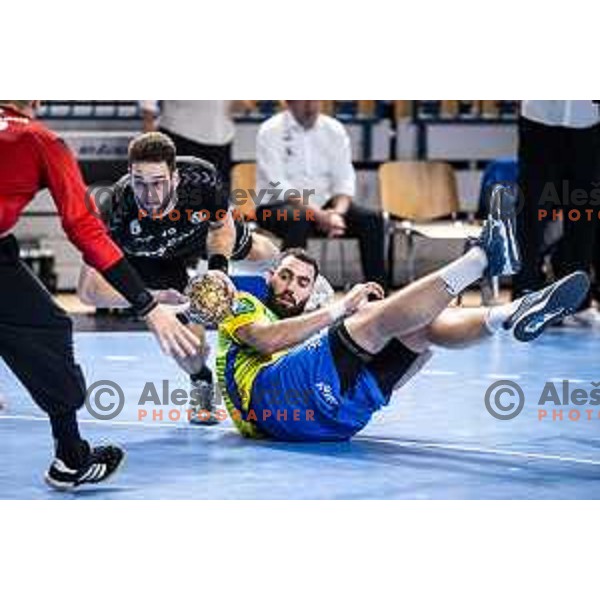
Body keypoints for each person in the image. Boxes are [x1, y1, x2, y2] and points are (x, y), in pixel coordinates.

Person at [208, 192, 589, 441]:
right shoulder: (246, 300)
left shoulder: (309, 331)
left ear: (311, 291)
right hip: (267, 400)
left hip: (338, 422)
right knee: (374, 317)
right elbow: (266, 339)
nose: (291, 286)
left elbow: (397, 369)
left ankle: (510, 313)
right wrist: (342, 308)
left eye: (302, 282)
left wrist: (398, 347)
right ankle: (484, 258)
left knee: (421, 331)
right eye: (286, 276)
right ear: (270, 276)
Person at [0, 101, 201, 489]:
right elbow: (84, 228)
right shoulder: (40, 139)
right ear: (36, 100)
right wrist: (146, 304)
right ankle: (71, 457)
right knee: (51, 330)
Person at [78, 131, 279, 425]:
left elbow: (221, 226)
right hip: (151, 259)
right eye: (140, 183)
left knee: (264, 251)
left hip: (197, 234)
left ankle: (299, 281)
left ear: (175, 178)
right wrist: (152, 299)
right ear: (130, 176)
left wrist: (218, 271)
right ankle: (201, 380)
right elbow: (88, 291)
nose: (149, 195)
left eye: (158, 183)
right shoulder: (115, 208)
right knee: (189, 345)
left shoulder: (201, 179)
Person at [255, 100, 387, 288]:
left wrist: (337, 214)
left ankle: (378, 296)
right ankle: (285, 292)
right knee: (299, 219)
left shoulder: (334, 129)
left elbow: (344, 178)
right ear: (289, 102)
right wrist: (319, 215)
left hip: (326, 207)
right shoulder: (270, 130)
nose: (310, 105)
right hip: (275, 206)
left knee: (371, 219)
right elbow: (278, 184)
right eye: (304, 99)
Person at [514, 101, 600, 319]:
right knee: (531, 213)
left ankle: (577, 301)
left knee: (583, 213)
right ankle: (524, 294)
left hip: (588, 120)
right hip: (539, 119)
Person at [140, 101, 252, 193]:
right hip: (180, 135)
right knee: (179, 199)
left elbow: (240, 106)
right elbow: (148, 107)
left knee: (215, 202)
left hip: (221, 141)